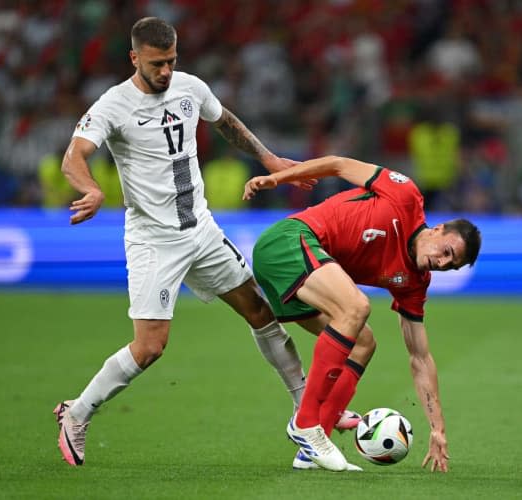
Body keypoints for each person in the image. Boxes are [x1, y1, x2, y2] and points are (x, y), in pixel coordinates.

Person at [52, 17, 360, 468]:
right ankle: (77, 413)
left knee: (260, 309)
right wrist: (92, 189)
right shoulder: (113, 105)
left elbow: (225, 121)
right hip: (154, 241)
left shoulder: (189, 87)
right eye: (157, 64)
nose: (166, 72)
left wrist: (269, 157)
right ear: (134, 58)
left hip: (201, 230)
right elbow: (73, 156)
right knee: (150, 347)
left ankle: (306, 415)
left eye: (172, 61)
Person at [243, 155, 482, 472]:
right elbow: (339, 164)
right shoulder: (406, 197)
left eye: (449, 265)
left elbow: (420, 358)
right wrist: (278, 178)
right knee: (356, 307)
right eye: (446, 252)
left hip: (299, 276)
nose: (441, 263)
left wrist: (438, 428)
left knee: (363, 343)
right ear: (438, 229)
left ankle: (313, 447)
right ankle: (306, 422)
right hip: (287, 241)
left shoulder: (414, 282)